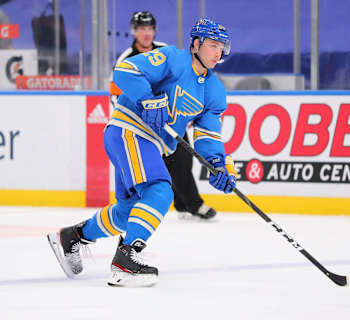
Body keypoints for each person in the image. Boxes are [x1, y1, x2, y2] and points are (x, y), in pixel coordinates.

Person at [47, 18, 237, 287]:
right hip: (129, 130)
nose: (219, 52)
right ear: (196, 44)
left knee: (128, 212)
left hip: (148, 144)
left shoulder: (214, 90)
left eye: (222, 47)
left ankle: (72, 237)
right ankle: (125, 262)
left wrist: (217, 163)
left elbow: (207, 135)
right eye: (213, 45)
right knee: (160, 190)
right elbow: (125, 71)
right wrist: (147, 97)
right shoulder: (173, 58)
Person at [110, 11, 217, 220]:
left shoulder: (165, 51)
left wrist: (187, 113)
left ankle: (186, 204)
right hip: (142, 125)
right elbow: (115, 95)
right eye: (142, 29)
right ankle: (134, 210)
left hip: (171, 120)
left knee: (184, 160)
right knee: (150, 167)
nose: (146, 33)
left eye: (149, 28)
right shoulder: (126, 59)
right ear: (134, 31)